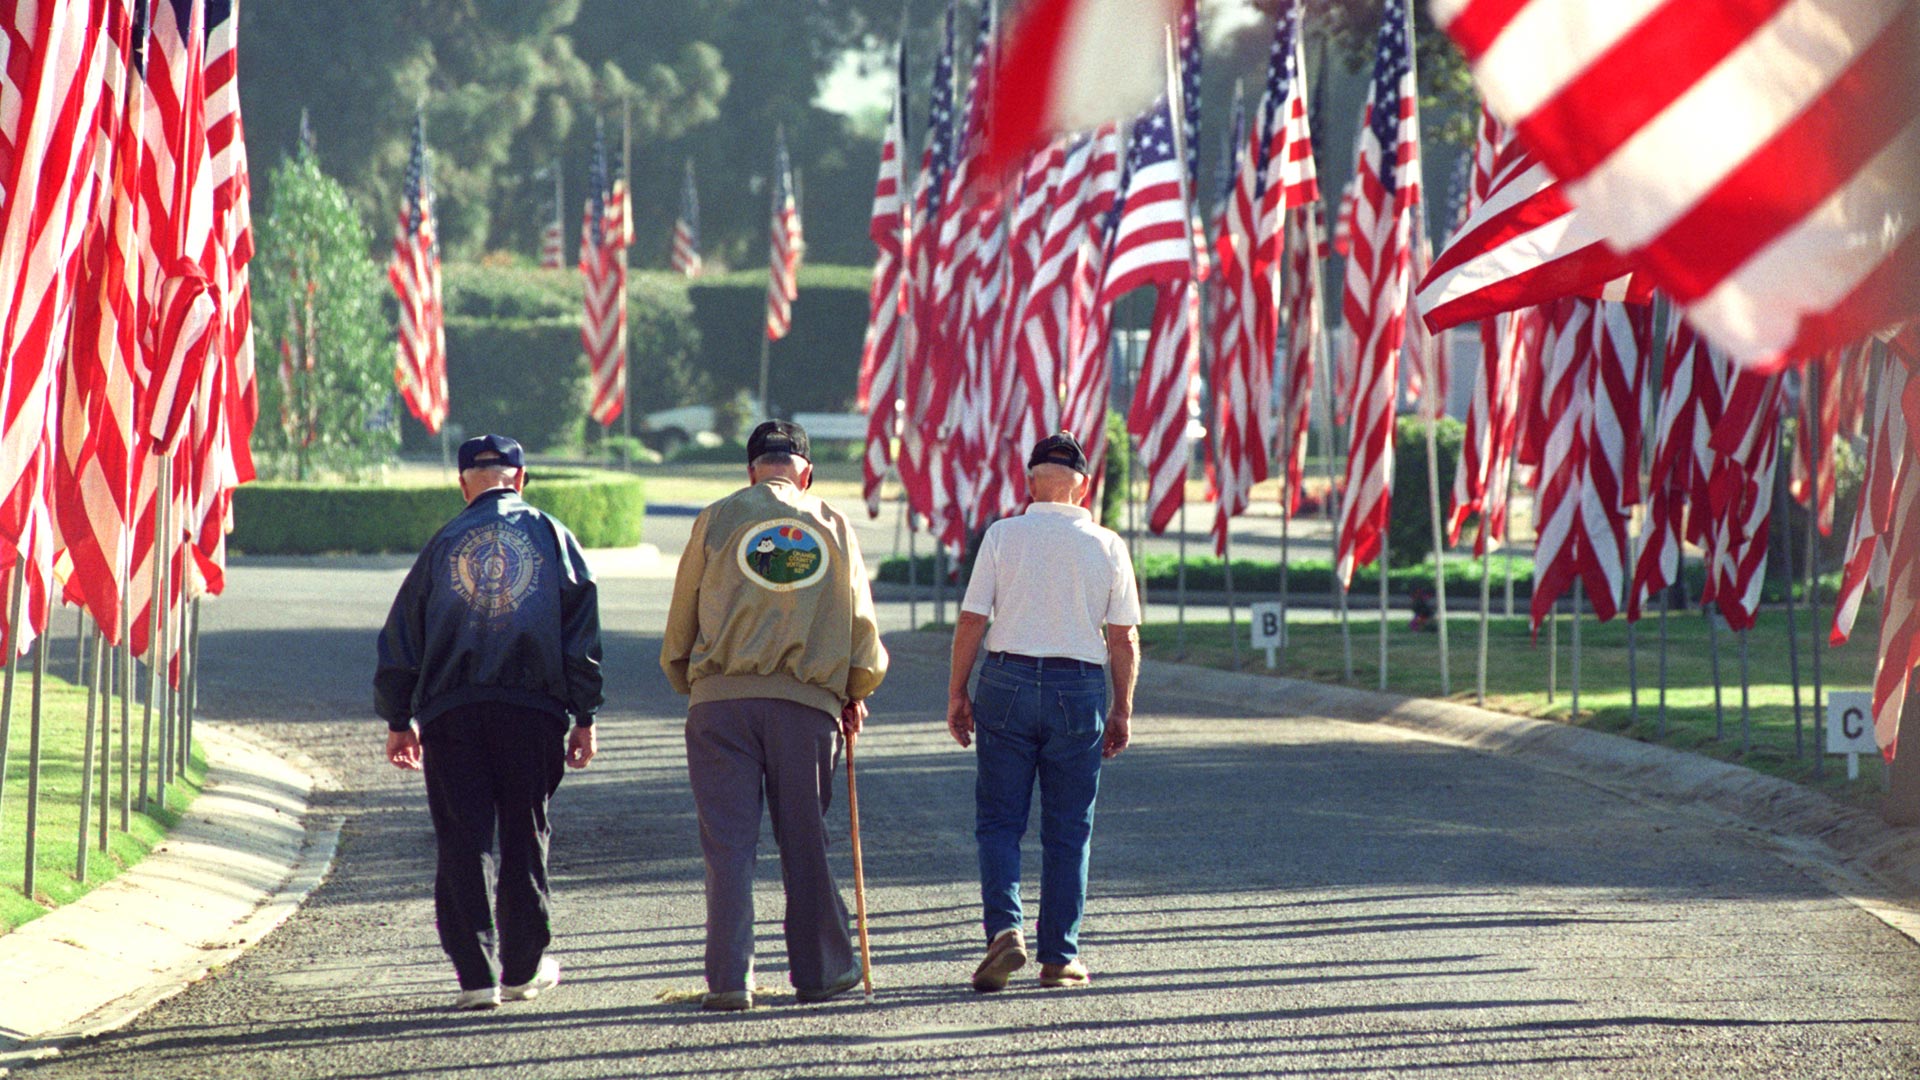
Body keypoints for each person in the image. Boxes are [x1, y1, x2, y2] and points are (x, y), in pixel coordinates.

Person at [660, 420, 888, 1011]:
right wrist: (852, 688)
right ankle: (820, 972)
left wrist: (696, 682)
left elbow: (681, 621)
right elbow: (861, 631)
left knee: (728, 847)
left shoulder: (714, 517)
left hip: (719, 704)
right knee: (804, 841)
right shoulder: (833, 525)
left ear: (751, 470)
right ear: (806, 472)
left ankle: (731, 980)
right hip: (803, 708)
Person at [375, 434, 603, 1011]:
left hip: (452, 713)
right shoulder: (553, 536)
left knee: (462, 836)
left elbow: (403, 634)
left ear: (462, 483)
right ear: (520, 479)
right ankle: (523, 969)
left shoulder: (443, 542)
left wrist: (398, 716)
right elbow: (581, 637)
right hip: (533, 712)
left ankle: (476, 976)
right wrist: (585, 713)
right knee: (526, 834)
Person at [946, 432, 1140, 992]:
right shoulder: (1107, 545)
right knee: (1069, 827)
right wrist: (1122, 708)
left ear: (1030, 481)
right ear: (1084, 486)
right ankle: (1059, 954)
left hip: (1005, 679)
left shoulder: (1003, 535)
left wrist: (958, 691)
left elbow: (970, 621)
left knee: (1000, 821)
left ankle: (1004, 929)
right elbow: (1124, 638)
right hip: (1077, 687)